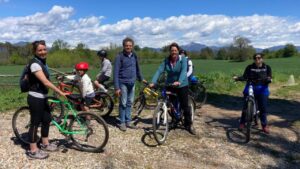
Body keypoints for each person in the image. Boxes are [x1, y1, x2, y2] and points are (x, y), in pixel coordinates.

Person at [26, 40, 67, 159]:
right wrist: (60, 92)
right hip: (35, 97)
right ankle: (33, 151)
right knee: (35, 123)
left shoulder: (42, 62)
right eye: (40, 50)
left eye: (44, 49)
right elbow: (45, 81)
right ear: (35, 51)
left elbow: (45, 80)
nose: (43, 52)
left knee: (46, 119)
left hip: (43, 97)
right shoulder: (34, 64)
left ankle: (45, 144)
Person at [149, 42, 196, 135]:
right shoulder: (166, 60)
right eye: (172, 50)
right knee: (171, 104)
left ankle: (189, 124)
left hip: (182, 84)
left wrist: (179, 81)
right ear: (170, 52)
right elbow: (159, 70)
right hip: (170, 84)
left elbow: (183, 71)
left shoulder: (183, 60)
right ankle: (174, 120)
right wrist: (153, 82)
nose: (173, 52)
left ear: (178, 51)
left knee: (184, 105)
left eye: (175, 50)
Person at [234, 53, 272, 134]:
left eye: (259, 58)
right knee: (245, 106)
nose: (257, 59)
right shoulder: (249, 67)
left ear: (262, 59)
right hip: (251, 87)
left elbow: (269, 77)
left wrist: (269, 79)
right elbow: (244, 77)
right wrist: (237, 78)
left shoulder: (267, 67)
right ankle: (242, 123)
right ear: (254, 59)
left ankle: (264, 125)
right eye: (255, 58)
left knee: (263, 108)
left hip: (262, 88)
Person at [113, 37, 145, 131]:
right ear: (123, 46)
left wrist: (141, 78)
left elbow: (137, 68)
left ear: (132, 46)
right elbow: (115, 72)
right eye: (126, 45)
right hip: (123, 83)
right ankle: (122, 122)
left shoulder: (134, 55)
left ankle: (128, 121)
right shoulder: (119, 57)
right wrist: (117, 87)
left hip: (132, 83)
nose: (128, 47)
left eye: (130, 46)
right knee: (123, 103)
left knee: (130, 102)